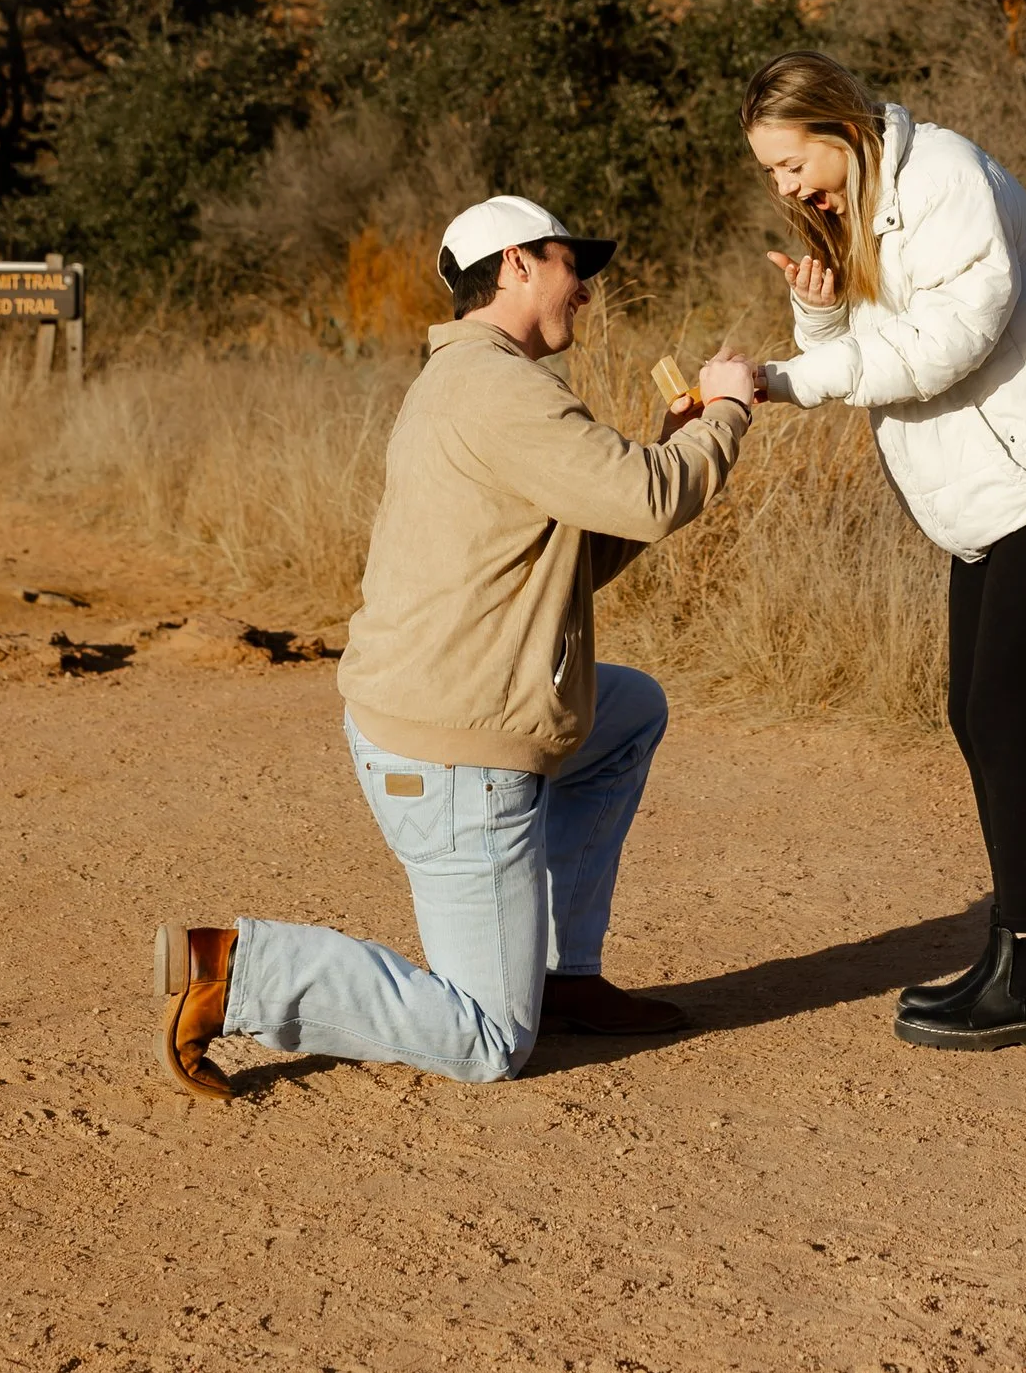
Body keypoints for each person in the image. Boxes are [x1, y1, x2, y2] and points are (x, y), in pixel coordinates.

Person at [153, 193, 759, 1098]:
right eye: (570, 263)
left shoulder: (475, 383)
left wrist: (671, 446)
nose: (585, 287)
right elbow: (651, 497)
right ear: (516, 263)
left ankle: (562, 975)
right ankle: (239, 970)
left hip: (445, 718)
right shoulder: (499, 390)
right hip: (453, 759)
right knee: (487, 1043)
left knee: (629, 709)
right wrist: (727, 416)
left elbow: (572, 556)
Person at [741, 54, 1026, 1052]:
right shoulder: (867, 213)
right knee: (975, 719)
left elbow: (946, 343)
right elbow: (873, 347)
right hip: (988, 509)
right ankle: (1009, 958)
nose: (786, 190)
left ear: (840, 126)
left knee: (1003, 724)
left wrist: (780, 381)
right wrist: (822, 306)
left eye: (790, 166)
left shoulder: (947, 176)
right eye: (773, 177)